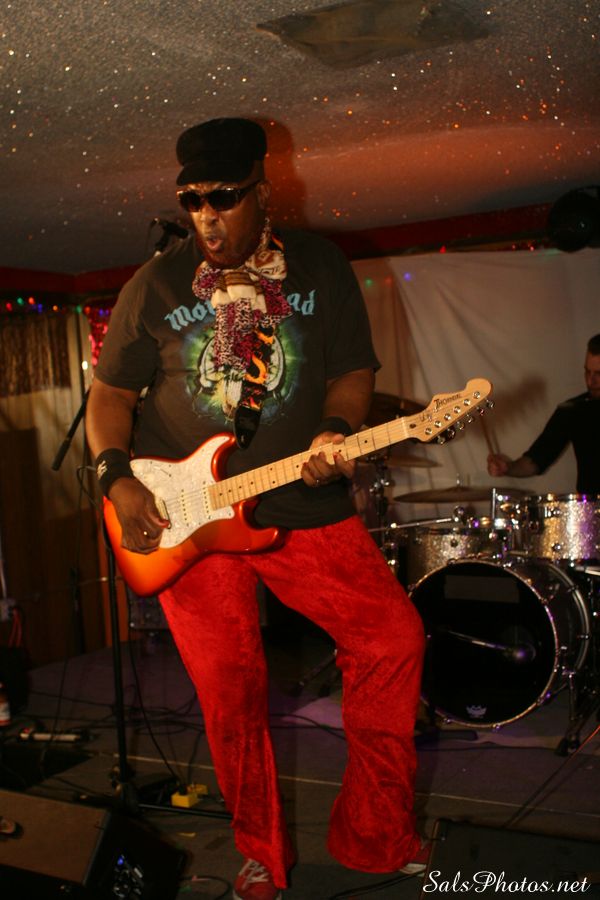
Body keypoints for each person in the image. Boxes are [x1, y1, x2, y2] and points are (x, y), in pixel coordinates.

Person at [85, 117, 426, 900]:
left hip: (301, 502)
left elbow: (351, 370)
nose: (207, 217)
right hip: (187, 517)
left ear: (263, 193)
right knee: (230, 691)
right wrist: (115, 477)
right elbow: (110, 395)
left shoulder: (321, 264)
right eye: (192, 201)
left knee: (393, 638)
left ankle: (375, 833)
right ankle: (261, 853)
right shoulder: (154, 284)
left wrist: (335, 429)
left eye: (225, 198)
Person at [487, 333, 600, 495]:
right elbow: (536, 460)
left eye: (598, 374)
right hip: (591, 508)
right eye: (587, 372)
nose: (590, 381)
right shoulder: (574, 409)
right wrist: (507, 467)